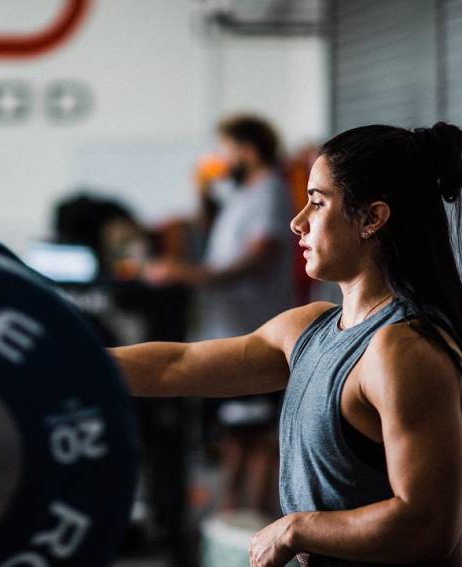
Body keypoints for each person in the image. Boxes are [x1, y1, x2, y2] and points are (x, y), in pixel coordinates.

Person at [112, 122, 462, 566]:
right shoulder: (310, 329)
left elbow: (428, 526)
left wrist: (297, 528)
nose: (298, 222)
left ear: (372, 218)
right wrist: (69, 364)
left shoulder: (403, 351)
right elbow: (177, 365)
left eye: (317, 203)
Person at [146, 114, 297, 515]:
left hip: (254, 334)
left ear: (247, 150)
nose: (221, 157)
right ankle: (231, 525)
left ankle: (252, 524)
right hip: (229, 332)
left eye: (226, 149)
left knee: (257, 435)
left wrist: (194, 274)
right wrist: (202, 193)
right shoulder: (243, 192)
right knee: (234, 434)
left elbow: (260, 257)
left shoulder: (269, 191)